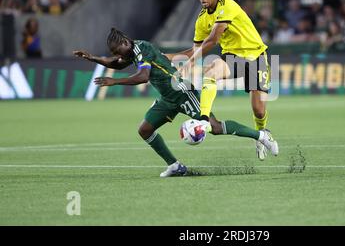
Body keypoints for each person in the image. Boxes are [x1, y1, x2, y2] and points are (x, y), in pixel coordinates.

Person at [73, 28, 278, 177]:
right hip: (167, 98)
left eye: (120, 50)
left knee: (214, 127)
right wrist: (92, 58)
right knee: (144, 129)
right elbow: (116, 64)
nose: (120, 55)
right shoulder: (131, 51)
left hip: (182, 92)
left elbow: (143, 77)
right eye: (117, 53)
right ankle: (175, 166)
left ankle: (261, 135)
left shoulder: (141, 48)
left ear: (126, 41)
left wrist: (113, 82)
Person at [170, 0, 275, 161]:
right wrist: (172, 58)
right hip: (233, 58)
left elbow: (212, 41)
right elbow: (197, 49)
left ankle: (262, 135)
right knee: (211, 72)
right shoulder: (202, 20)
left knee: (259, 110)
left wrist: (190, 62)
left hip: (256, 56)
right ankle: (203, 120)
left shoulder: (227, 5)